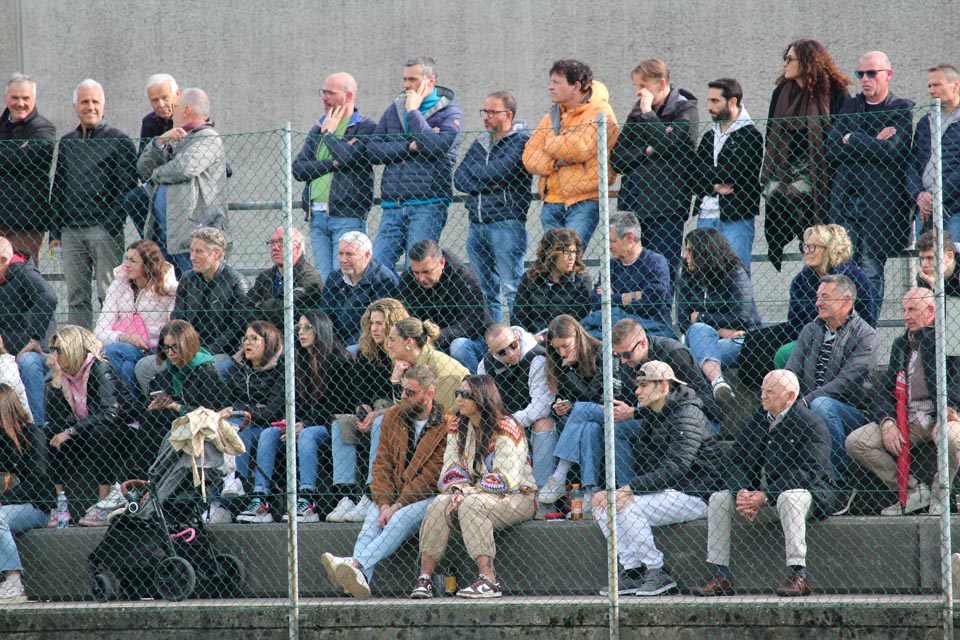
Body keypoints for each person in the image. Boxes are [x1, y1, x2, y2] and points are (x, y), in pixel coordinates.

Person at [690, 370, 836, 598]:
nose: (763, 396)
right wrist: (741, 492)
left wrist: (766, 495)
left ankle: (799, 575)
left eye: (770, 391)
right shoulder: (756, 420)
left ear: (790, 396)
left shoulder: (812, 423)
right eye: (762, 390)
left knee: (789, 497)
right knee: (719, 498)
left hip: (807, 496)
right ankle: (721, 575)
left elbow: (809, 471)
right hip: (759, 497)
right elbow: (736, 461)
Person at [592, 361, 722, 597]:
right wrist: (631, 490)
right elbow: (651, 465)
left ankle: (656, 570)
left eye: (643, 385)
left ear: (663, 386)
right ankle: (633, 571)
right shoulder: (654, 414)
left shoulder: (687, 414)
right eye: (637, 385)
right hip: (671, 490)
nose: (636, 391)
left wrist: (632, 489)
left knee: (628, 506)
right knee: (601, 503)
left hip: (697, 492)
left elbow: (677, 467)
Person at [321, 364, 450, 600]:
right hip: (389, 496)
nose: (403, 396)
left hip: (426, 497)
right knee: (370, 525)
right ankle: (361, 579)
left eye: (410, 392)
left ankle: (354, 564)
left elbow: (430, 477)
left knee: (398, 519)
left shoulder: (446, 425)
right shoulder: (393, 417)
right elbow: (381, 465)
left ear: (429, 394)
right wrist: (383, 504)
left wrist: (396, 505)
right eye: (402, 390)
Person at [410, 374, 536, 599]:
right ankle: (425, 579)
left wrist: (465, 492)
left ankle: (489, 580)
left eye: (466, 395)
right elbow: (449, 471)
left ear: (482, 397)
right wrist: (458, 491)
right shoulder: (458, 427)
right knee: (439, 503)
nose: (459, 399)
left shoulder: (507, 427)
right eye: (458, 393)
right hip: (476, 494)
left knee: (471, 504)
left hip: (519, 497)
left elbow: (505, 479)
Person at [845, 288, 960, 516]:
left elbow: (958, 380)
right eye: (904, 310)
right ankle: (913, 490)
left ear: (931, 311)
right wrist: (887, 422)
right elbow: (886, 389)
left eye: (912, 310)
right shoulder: (901, 344)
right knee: (856, 441)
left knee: (950, 438)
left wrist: (948, 409)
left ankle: (940, 495)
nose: (906, 316)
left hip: (945, 414)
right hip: (908, 417)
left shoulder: (950, 336)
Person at [246, 312, 354, 524]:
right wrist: (291, 422)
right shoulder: (298, 360)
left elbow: (339, 404)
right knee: (269, 434)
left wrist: (305, 424)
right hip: (305, 422)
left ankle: (307, 500)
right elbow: (297, 402)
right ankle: (260, 500)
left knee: (307, 435)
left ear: (320, 329)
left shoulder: (340, 360)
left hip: (330, 424)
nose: (301, 333)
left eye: (307, 327)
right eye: (299, 328)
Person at [738, 223, 877, 387]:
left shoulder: (856, 278)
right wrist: (814, 339)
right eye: (805, 246)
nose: (807, 251)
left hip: (847, 341)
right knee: (784, 353)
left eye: (813, 246)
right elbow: (793, 324)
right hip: (810, 340)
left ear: (830, 249)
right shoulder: (800, 281)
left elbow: (868, 320)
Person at [827, 51, 914, 310]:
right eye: (860, 74)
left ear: (888, 75)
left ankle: (868, 324)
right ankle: (845, 323)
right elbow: (831, 149)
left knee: (870, 268)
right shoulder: (851, 106)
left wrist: (853, 139)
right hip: (847, 202)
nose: (865, 79)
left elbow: (893, 151)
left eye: (871, 73)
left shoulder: (900, 108)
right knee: (842, 269)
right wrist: (874, 142)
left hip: (879, 207)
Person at [49, 79, 139, 329]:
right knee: (76, 296)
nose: (90, 107)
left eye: (95, 101)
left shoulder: (119, 140)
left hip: (103, 230)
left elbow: (127, 189)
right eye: (84, 102)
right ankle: (79, 346)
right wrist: (55, 231)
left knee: (109, 294)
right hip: (71, 232)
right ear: (75, 107)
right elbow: (59, 187)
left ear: (103, 105)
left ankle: (110, 344)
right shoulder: (67, 143)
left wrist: (109, 226)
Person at [367, 56, 463, 269]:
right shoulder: (394, 109)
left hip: (427, 203)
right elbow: (373, 150)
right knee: (378, 266)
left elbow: (436, 147)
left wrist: (413, 112)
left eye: (412, 79)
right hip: (393, 204)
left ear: (431, 81)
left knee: (418, 268)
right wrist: (409, 146)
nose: (406, 85)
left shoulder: (449, 112)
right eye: (405, 79)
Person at [762, 40, 851, 270]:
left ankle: (813, 244)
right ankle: (805, 240)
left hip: (821, 170)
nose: (785, 64)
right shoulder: (781, 93)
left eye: (790, 59)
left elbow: (843, 131)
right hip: (786, 167)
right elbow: (771, 134)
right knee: (773, 191)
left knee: (800, 192)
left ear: (807, 62)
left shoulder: (834, 91)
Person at [609, 58, 698, 277]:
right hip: (634, 204)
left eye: (643, 85)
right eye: (636, 86)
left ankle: (662, 302)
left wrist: (649, 113)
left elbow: (669, 145)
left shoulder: (684, 109)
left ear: (661, 83)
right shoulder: (637, 111)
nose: (639, 92)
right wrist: (646, 151)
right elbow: (618, 158)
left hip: (666, 207)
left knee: (663, 269)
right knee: (633, 271)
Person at [785, 275, 877, 484]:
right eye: (818, 297)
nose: (818, 303)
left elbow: (846, 383)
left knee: (822, 404)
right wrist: (787, 397)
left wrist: (806, 401)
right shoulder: (810, 330)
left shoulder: (865, 335)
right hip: (807, 405)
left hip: (850, 412)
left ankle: (836, 479)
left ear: (846, 301)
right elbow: (792, 371)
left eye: (825, 297)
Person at [326, 298, 409, 523]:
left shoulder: (403, 351)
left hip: (397, 413)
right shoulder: (365, 351)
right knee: (340, 424)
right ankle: (345, 496)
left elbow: (405, 400)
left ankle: (371, 493)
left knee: (380, 422)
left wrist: (377, 414)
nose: (374, 328)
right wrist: (362, 409)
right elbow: (361, 391)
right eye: (372, 323)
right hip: (374, 409)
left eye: (380, 323)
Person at [610, 318, 722, 482]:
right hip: (657, 419)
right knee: (614, 429)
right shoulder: (630, 363)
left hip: (699, 420)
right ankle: (625, 488)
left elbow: (692, 400)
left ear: (643, 343)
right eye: (618, 355)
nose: (623, 361)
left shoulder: (674, 353)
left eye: (626, 354)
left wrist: (636, 412)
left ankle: (632, 489)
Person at [522, 59, 619, 250]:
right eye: (551, 82)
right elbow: (529, 157)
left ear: (576, 86)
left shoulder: (601, 112)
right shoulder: (553, 115)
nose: (550, 87)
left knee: (569, 256)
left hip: (584, 200)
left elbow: (580, 148)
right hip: (551, 201)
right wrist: (555, 163)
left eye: (556, 82)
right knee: (553, 260)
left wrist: (549, 143)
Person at [455, 90, 532, 323]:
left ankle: (519, 338)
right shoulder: (480, 144)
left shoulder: (521, 141)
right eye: (484, 111)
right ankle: (494, 337)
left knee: (512, 287)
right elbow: (459, 178)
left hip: (506, 223)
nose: (485, 117)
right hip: (477, 224)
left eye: (492, 112)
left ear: (508, 114)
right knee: (484, 291)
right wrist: (489, 183)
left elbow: (502, 171)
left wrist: (478, 177)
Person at [292, 72, 376, 280]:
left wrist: (329, 134)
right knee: (324, 278)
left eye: (330, 93)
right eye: (323, 92)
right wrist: (333, 163)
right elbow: (299, 169)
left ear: (349, 96)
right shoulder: (317, 129)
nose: (324, 97)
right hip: (316, 215)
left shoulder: (364, 127)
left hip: (346, 214)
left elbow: (347, 157)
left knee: (347, 276)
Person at [140, 320, 227, 519]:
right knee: (150, 418)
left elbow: (211, 412)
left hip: (202, 430)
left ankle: (149, 484)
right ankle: (142, 482)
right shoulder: (167, 373)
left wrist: (176, 407)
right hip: (177, 425)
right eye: (166, 348)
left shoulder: (206, 371)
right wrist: (156, 405)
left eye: (175, 347)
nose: (170, 353)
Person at [43, 326, 127, 528]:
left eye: (58, 350)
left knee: (100, 432)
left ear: (72, 349)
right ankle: (59, 504)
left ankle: (103, 504)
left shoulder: (99, 366)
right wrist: (56, 377)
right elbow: (54, 417)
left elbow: (110, 412)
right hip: (86, 428)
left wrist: (71, 432)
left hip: (119, 428)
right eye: (51, 350)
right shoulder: (64, 373)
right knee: (50, 433)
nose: (54, 355)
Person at [137, 88, 227, 275]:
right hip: (166, 233)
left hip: (193, 234)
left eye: (175, 106)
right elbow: (143, 167)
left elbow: (184, 168)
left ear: (186, 110)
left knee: (194, 284)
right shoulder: (176, 137)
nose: (171, 112)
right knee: (168, 288)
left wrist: (157, 173)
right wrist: (160, 142)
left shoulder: (208, 137)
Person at [676, 227, 761, 403]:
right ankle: (718, 383)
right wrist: (720, 331)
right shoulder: (686, 277)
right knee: (698, 329)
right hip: (707, 339)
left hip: (740, 341)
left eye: (690, 251)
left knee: (696, 347)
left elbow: (742, 318)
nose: (685, 256)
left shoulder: (735, 273)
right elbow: (684, 322)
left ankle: (713, 388)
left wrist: (701, 317)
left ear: (705, 252)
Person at [693, 78, 764, 273]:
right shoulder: (709, 136)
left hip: (736, 217)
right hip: (705, 215)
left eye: (715, 101)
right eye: (708, 100)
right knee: (703, 277)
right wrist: (714, 186)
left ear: (732, 102)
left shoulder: (750, 136)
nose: (709, 107)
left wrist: (707, 174)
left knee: (736, 275)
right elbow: (692, 174)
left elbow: (734, 172)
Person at [93, 239, 177, 401]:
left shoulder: (168, 289)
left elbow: (174, 331)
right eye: (126, 259)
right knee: (126, 366)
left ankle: (131, 407)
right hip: (128, 348)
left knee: (113, 351)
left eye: (133, 261)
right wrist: (126, 337)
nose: (126, 265)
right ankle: (138, 408)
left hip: (156, 350)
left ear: (148, 264)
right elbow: (100, 332)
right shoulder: (118, 285)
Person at [535, 314, 604, 511]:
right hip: (585, 421)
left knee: (582, 410)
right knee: (589, 429)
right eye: (557, 348)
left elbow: (594, 397)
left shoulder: (600, 352)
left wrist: (569, 372)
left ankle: (559, 475)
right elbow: (565, 397)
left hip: (607, 412)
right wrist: (560, 405)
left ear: (578, 337)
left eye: (565, 345)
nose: (562, 352)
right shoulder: (559, 360)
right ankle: (590, 492)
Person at [223, 321, 286, 519]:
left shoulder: (281, 369)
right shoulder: (236, 367)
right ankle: (220, 500)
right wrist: (247, 410)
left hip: (269, 427)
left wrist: (241, 410)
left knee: (240, 425)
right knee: (225, 427)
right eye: (245, 338)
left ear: (269, 342)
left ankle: (238, 479)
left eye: (254, 339)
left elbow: (272, 412)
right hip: (243, 425)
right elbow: (225, 402)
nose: (247, 343)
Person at [398, 240, 490, 373]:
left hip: (472, 340)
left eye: (426, 271)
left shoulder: (465, 278)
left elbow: (473, 322)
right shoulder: (408, 280)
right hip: (428, 339)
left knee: (458, 347)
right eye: (416, 272)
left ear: (441, 263)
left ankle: (476, 384)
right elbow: (404, 317)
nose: (421, 278)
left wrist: (437, 337)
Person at [0, 383, 54, 602]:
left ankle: (14, 582)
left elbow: (38, 483)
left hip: (35, 506)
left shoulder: (33, 435)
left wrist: (3, 499)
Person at [167, 227, 248, 367]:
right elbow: (177, 318)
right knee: (144, 367)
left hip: (222, 352)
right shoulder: (187, 279)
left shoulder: (237, 283)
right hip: (187, 349)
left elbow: (237, 328)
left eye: (199, 251)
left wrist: (205, 352)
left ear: (216, 253)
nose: (192, 257)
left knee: (205, 369)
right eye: (191, 251)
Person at [585, 211, 672, 337]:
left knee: (610, 315)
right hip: (614, 327)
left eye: (613, 241)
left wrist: (612, 300)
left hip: (649, 327)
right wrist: (627, 298)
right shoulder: (611, 265)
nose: (608, 246)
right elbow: (595, 301)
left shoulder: (655, 262)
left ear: (630, 238)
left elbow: (651, 304)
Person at [0, 73, 56, 263]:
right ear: (6, 99)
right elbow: (19, 158)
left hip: (27, 223)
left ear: (34, 99)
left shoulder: (44, 129)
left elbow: (27, 159)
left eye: (25, 98)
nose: (20, 103)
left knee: (23, 274)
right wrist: (18, 151)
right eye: (15, 98)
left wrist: (17, 155)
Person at [0, 237, 56, 426]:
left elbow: (48, 296)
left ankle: (37, 427)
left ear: (3, 260)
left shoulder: (25, 272)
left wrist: (35, 338)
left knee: (28, 362)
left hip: (36, 351)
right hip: (5, 352)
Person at [318, 231, 399, 347]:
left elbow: (376, 326)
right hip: (334, 343)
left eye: (349, 254)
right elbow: (324, 316)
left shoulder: (384, 280)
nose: (343, 260)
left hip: (365, 344)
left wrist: (343, 349)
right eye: (340, 253)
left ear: (367, 255)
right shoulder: (334, 277)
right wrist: (333, 345)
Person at [123, 74, 179, 239]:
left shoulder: (188, 115)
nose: (160, 104)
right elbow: (143, 165)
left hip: (184, 180)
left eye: (165, 98)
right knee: (134, 199)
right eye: (155, 100)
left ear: (177, 94)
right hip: (159, 181)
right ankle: (151, 245)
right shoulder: (149, 122)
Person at [907, 64, 960, 240]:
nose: (931, 91)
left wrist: (937, 196)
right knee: (925, 256)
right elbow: (913, 162)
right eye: (929, 86)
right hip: (926, 208)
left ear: (955, 85)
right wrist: (919, 195)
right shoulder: (926, 122)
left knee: (952, 255)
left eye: (937, 85)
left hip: (955, 209)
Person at [512, 228, 592, 336]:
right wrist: (524, 337)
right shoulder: (530, 277)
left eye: (574, 252)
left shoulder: (582, 280)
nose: (572, 257)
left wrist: (542, 338)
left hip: (564, 339)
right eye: (566, 252)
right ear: (550, 253)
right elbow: (519, 316)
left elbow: (574, 321)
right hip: (530, 338)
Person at [385, 317, 469, 413]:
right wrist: (396, 381)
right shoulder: (405, 365)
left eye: (392, 340)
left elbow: (444, 414)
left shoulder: (438, 367)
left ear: (409, 342)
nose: (388, 345)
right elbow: (403, 408)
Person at [245, 226, 324, 328]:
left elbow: (287, 310)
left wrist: (261, 305)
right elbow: (246, 309)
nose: (275, 248)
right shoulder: (265, 276)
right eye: (272, 243)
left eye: (282, 242)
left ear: (298, 248)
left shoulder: (310, 278)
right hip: (264, 335)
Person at [916, 229, 960, 296]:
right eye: (922, 258)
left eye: (930, 258)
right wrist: (934, 285)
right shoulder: (924, 276)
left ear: (949, 256)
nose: (924, 264)